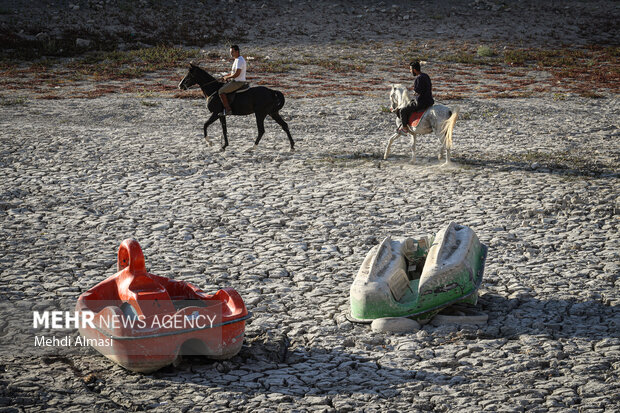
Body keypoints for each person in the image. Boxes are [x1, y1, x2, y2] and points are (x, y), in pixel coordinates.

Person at [399, 61, 434, 132]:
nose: (410, 71)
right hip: (429, 101)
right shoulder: (426, 75)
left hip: (421, 102)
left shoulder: (419, 78)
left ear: (414, 70)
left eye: (410, 70)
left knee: (403, 110)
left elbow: (417, 91)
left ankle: (405, 128)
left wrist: (415, 92)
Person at [218, 45, 247, 116]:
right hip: (235, 80)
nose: (231, 54)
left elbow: (237, 74)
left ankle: (228, 110)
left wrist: (228, 77)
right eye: (231, 52)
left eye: (232, 52)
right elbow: (232, 73)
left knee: (221, 91)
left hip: (238, 82)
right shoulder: (237, 59)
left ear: (237, 51)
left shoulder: (240, 60)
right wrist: (226, 76)